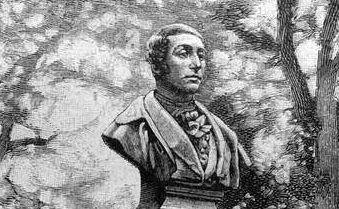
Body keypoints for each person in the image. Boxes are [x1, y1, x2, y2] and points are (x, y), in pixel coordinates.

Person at [102, 23, 249, 192]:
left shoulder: (226, 136)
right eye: (184, 53)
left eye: (201, 56)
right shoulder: (131, 127)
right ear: (158, 64)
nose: (196, 64)